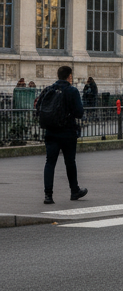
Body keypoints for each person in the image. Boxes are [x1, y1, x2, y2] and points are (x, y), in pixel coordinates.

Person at [39, 65, 87, 205]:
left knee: (50, 162)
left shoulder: (49, 89)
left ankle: (48, 195)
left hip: (51, 132)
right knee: (70, 162)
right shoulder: (72, 91)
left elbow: (39, 108)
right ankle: (74, 191)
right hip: (67, 132)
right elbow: (79, 112)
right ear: (69, 76)